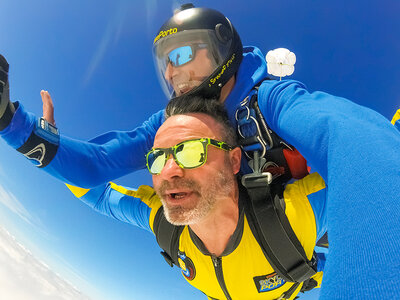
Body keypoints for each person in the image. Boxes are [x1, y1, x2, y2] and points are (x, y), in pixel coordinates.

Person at [1, 3, 400, 298]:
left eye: (180, 56)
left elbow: (356, 142)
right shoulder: (168, 127)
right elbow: (96, 170)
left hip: (288, 238)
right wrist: (13, 124)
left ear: (222, 49)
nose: (172, 73)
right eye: (165, 66)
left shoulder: (270, 100)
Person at [66, 96, 326, 300]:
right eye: (157, 158)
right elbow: (96, 194)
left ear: (234, 160)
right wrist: (54, 151)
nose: (168, 172)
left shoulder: (295, 212)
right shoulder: (165, 224)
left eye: (192, 152)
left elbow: (361, 172)